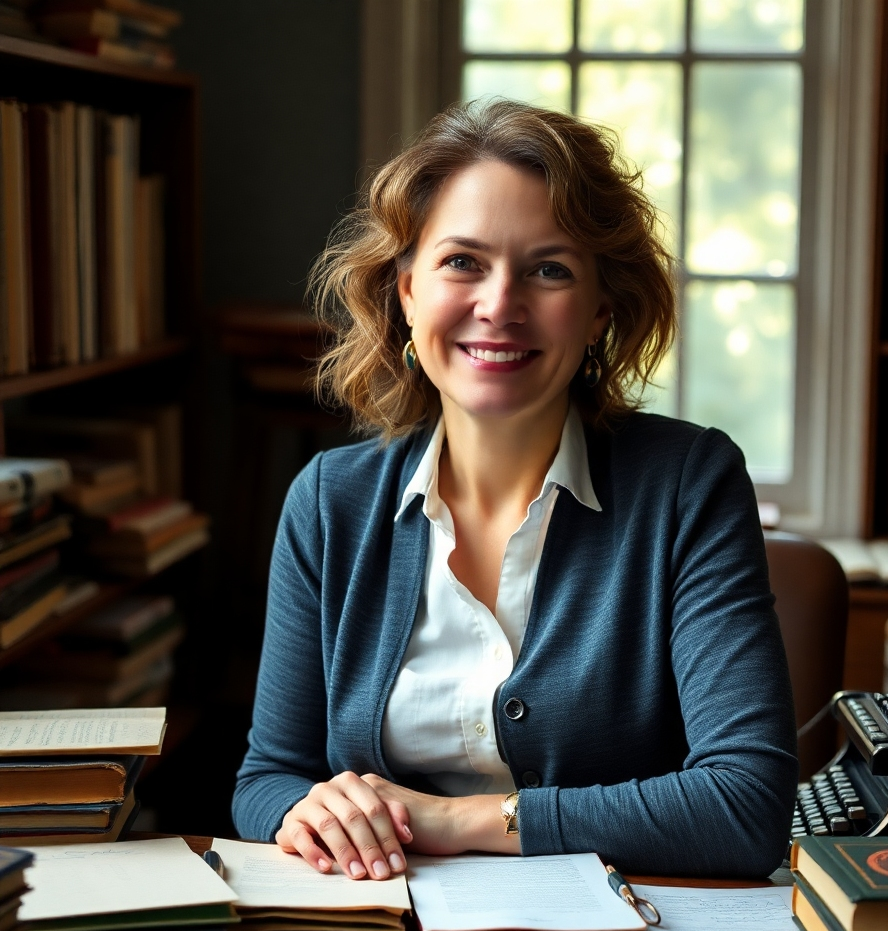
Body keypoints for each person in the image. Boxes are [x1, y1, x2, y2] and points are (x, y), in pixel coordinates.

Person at [233, 100, 797, 881]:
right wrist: (307, 810)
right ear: (405, 292)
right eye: (462, 262)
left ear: (600, 309)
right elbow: (267, 780)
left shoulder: (688, 485)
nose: (499, 305)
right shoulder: (330, 503)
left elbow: (744, 809)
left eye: (549, 269)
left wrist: (455, 820)